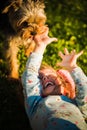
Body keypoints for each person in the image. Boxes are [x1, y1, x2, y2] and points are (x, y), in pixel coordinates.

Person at [21, 26, 87, 130]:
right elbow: (30, 75)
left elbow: (84, 89)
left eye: (50, 76)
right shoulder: (35, 102)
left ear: (65, 89)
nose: (44, 79)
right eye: (40, 78)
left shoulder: (78, 105)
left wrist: (73, 68)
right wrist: (40, 46)